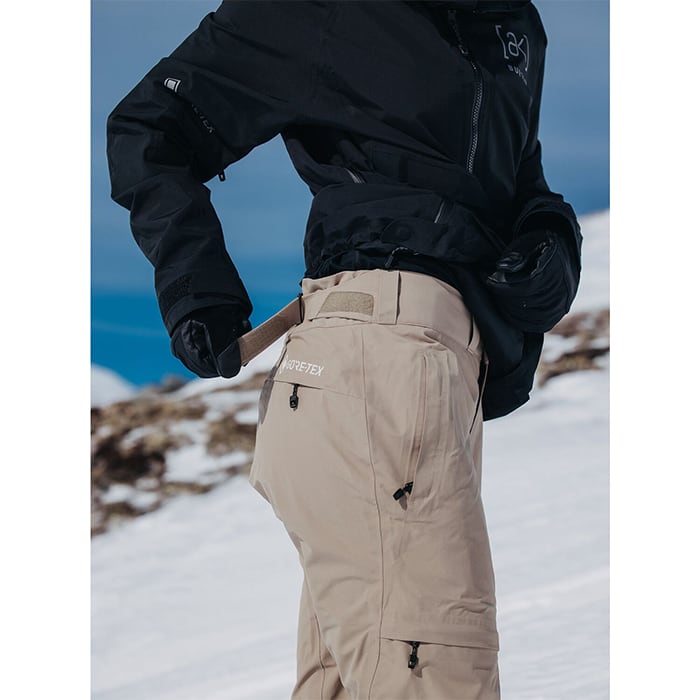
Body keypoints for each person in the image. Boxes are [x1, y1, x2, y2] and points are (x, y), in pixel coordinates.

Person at [106, 1, 582, 697]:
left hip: (442, 382)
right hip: (373, 359)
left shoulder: (513, 25)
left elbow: (519, 181)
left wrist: (552, 242)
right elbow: (150, 124)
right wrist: (195, 288)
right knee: (438, 671)